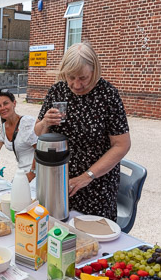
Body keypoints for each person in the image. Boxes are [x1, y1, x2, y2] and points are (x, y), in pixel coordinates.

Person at [35, 42, 131, 221]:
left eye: (83, 78)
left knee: (91, 241)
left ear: (94, 71)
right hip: (57, 180)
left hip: (96, 185)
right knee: (55, 232)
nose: (76, 84)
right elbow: (39, 133)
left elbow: (121, 145)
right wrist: (46, 123)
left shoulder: (107, 95)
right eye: (71, 77)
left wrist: (87, 176)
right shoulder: (58, 90)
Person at [0, 89, 38, 182]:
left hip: (38, 171)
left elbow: (41, 150)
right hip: (22, 172)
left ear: (14, 103)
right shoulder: (1, 129)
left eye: (6, 103)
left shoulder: (26, 122)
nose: (3, 108)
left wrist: (32, 173)